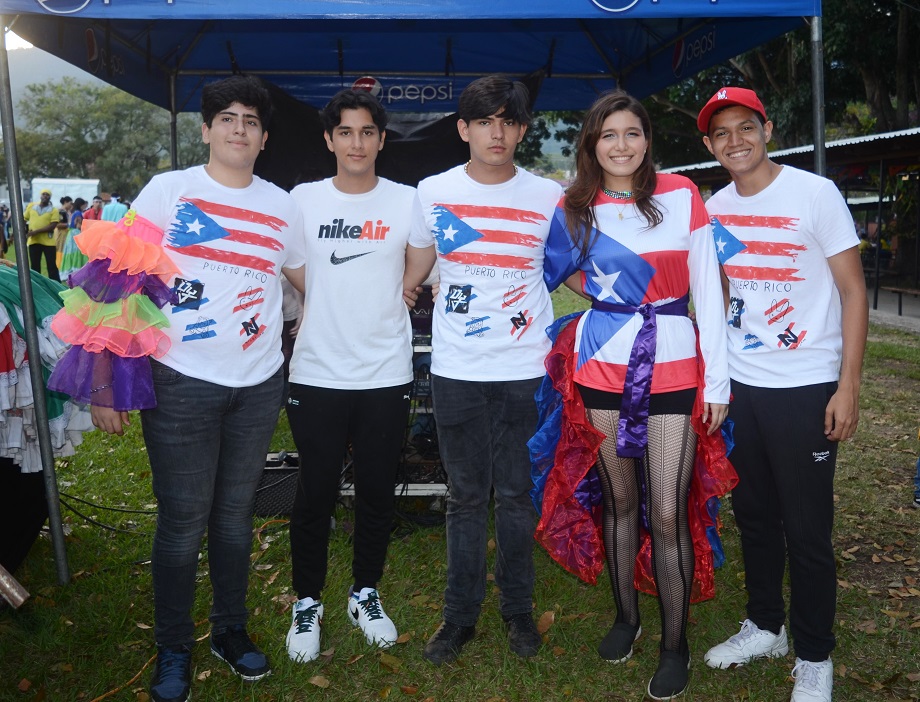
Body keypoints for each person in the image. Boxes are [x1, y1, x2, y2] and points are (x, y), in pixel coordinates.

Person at [74, 75, 306, 702]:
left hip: (258, 386)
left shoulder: (283, 206)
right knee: (182, 523)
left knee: (234, 520)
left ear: (263, 136)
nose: (239, 129)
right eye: (226, 118)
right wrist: (101, 382)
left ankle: (231, 630)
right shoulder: (169, 191)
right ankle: (174, 646)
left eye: (251, 120)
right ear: (205, 130)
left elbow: (308, 285)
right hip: (180, 384)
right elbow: (114, 281)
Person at [537, 90, 729, 700]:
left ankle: (677, 646)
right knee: (619, 499)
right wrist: (606, 296)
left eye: (633, 133)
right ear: (592, 143)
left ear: (648, 139)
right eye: (608, 135)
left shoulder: (682, 195)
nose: (622, 145)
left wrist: (717, 380)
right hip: (601, 362)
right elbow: (557, 268)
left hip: (674, 360)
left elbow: (709, 291)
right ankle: (627, 616)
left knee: (668, 511)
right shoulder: (574, 206)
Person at [697, 87, 867, 702]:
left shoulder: (814, 194)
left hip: (807, 385)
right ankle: (765, 623)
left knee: (808, 527)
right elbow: (714, 299)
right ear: (710, 146)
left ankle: (815, 653)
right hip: (745, 387)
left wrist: (847, 386)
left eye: (746, 127)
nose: (736, 141)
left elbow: (853, 291)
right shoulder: (713, 208)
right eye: (722, 134)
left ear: (767, 129)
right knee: (755, 516)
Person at [403, 75, 562, 665]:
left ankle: (518, 612)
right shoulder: (432, 192)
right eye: (484, 121)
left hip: (526, 368)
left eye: (509, 121)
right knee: (467, 498)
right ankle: (457, 617)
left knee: (518, 496)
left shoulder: (549, 196)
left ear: (522, 129)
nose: (497, 133)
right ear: (463, 129)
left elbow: (578, 265)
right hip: (457, 369)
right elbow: (415, 267)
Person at [283, 88, 423, 663]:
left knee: (375, 491)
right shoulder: (303, 199)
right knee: (314, 491)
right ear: (329, 139)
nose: (356, 142)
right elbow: (292, 266)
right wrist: (335, 301)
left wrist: (398, 291)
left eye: (367, 132)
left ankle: (365, 592)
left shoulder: (407, 200)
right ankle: (307, 600)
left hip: (384, 371)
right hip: (317, 370)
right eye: (346, 132)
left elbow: (421, 256)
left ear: (381, 140)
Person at [23, 188, 61, 281]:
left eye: (47, 194)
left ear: (50, 197)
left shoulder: (53, 210)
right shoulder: (32, 206)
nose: (45, 196)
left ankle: (55, 284)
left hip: (48, 242)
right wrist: (25, 231)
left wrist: (36, 231)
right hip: (34, 241)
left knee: (51, 266)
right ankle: (36, 284)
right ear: (40, 196)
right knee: (35, 266)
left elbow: (53, 225)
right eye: (43, 194)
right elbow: (24, 219)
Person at [59, 197, 88, 283]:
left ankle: (69, 272)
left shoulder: (72, 212)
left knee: (70, 253)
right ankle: (76, 271)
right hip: (76, 233)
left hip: (70, 234)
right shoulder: (78, 213)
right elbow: (79, 225)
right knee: (77, 253)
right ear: (81, 205)